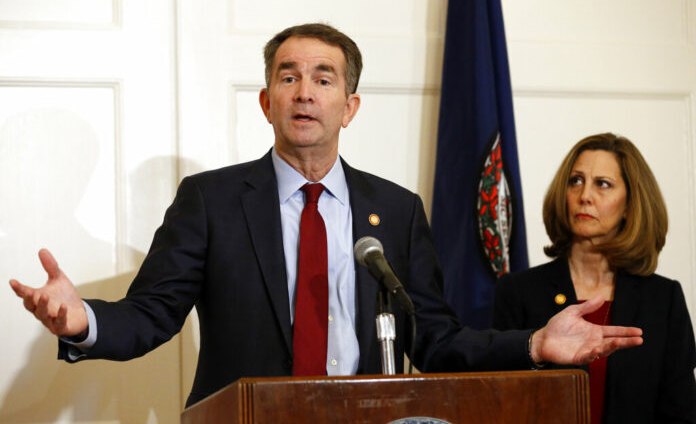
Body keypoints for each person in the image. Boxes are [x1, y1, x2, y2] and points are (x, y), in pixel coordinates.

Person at [10, 24, 642, 408]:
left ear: (351, 105)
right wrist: (81, 320)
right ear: (266, 102)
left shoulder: (394, 211)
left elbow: (437, 339)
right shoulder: (212, 201)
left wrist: (533, 342)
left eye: (323, 78)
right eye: (287, 77)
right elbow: (150, 316)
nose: (304, 91)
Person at [493, 133, 696, 423]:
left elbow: (680, 412)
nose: (584, 195)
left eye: (603, 184)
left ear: (629, 205)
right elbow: (502, 403)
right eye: (575, 181)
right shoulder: (518, 292)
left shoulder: (663, 299)